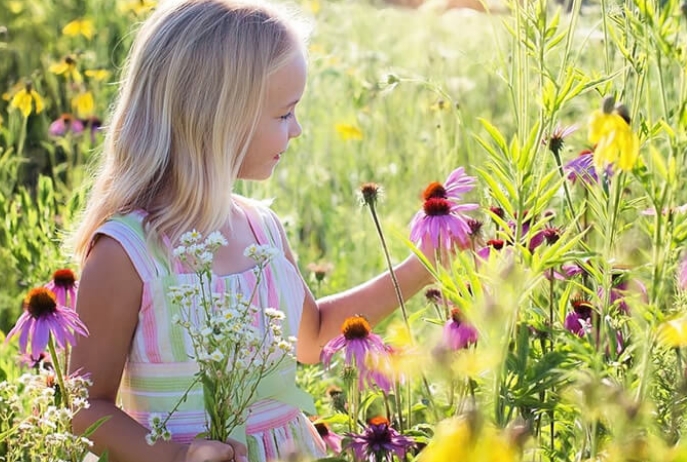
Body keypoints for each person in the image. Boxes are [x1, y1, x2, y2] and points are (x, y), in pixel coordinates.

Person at [68, 0, 433, 461]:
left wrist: (425, 265)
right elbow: (85, 408)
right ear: (217, 119)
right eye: (284, 114)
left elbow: (313, 336)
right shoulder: (128, 252)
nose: (297, 130)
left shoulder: (263, 229)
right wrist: (179, 458)